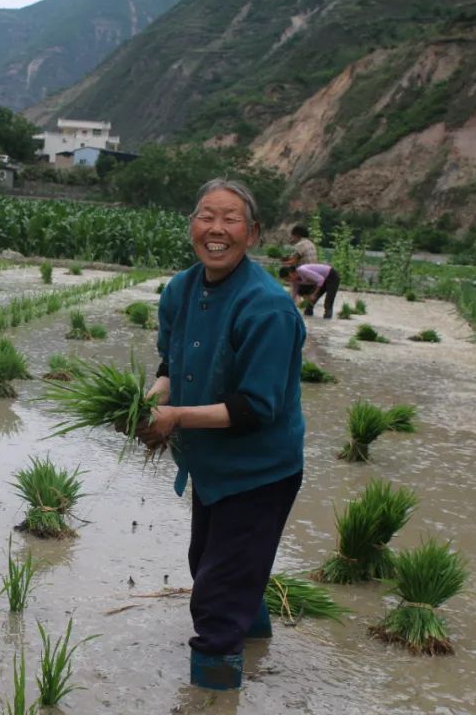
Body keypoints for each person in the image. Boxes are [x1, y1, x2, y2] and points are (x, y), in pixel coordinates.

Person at [135, 179, 305, 692]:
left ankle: (213, 691)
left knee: (215, 597)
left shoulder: (268, 307)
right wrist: (151, 400)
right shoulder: (180, 290)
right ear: (192, 226)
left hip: (259, 471)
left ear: (251, 234)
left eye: (230, 219)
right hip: (210, 466)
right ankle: (253, 642)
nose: (216, 229)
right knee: (214, 566)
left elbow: (255, 408)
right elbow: (171, 364)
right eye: (206, 215)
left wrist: (176, 419)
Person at [281, 224, 318, 296]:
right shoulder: (310, 243)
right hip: (314, 273)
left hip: (305, 275)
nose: (291, 238)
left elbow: (293, 261)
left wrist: (282, 263)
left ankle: (293, 296)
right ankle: (294, 295)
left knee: (290, 271)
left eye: (292, 236)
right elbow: (296, 256)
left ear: (297, 235)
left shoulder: (300, 244)